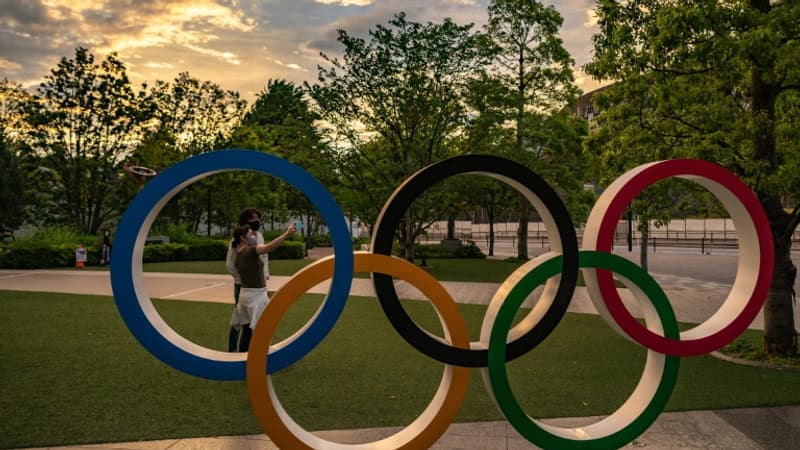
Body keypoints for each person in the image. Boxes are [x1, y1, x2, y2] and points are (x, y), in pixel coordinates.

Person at [228, 221, 296, 352]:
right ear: (243, 238)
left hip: (245, 295)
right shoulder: (251, 250)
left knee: (247, 331)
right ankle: (261, 360)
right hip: (256, 296)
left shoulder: (237, 255)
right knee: (262, 331)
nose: (254, 235)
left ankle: (243, 358)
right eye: (250, 234)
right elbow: (270, 247)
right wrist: (287, 233)